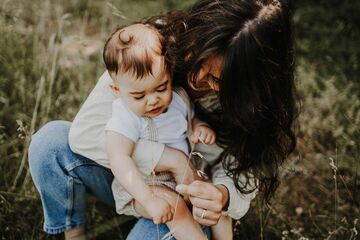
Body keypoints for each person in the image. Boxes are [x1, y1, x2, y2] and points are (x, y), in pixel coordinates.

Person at [28, 0, 296, 239]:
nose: (197, 78)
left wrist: (222, 195)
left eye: (216, 80)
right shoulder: (149, 49)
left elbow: (244, 173)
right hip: (124, 183)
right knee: (50, 143)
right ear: (196, 35)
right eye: (199, 57)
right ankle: (72, 231)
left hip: (184, 203)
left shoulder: (250, 107)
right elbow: (84, 135)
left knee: (201, 221)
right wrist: (167, 158)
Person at [102, 23, 220, 240]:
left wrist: (199, 128)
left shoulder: (179, 98)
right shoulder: (125, 116)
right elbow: (119, 159)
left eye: (161, 88)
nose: (153, 100)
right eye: (139, 96)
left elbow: (190, 119)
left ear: (170, 73)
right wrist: (148, 199)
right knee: (177, 209)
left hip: (185, 177)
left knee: (215, 206)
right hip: (146, 186)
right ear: (117, 90)